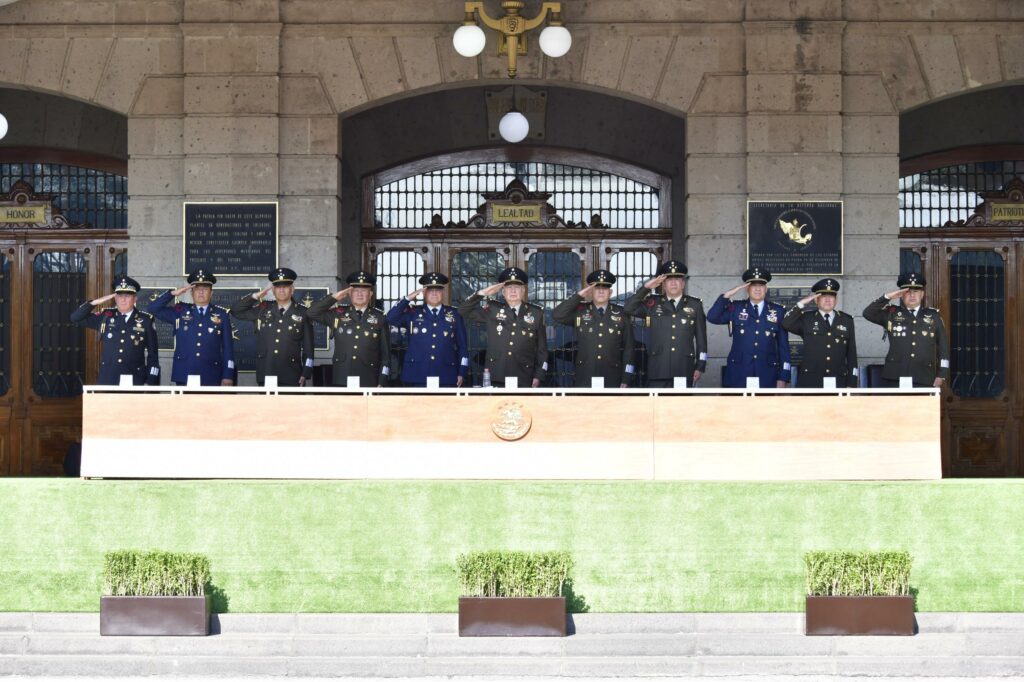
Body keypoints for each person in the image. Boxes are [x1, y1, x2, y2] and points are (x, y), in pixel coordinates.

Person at [458, 267, 548, 388]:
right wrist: (482, 293)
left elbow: (542, 350)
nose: (513, 291)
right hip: (495, 375)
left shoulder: (536, 313)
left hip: (524, 375)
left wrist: (539, 375)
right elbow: (462, 311)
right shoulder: (492, 309)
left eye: (516, 287)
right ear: (503, 292)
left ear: (523, 290)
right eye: (509, 288)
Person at [623, 260, 707, 388]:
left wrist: (700, 366)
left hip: (683, 368)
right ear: (663, 284)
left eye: (677, 279)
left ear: (683, 283)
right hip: (658, 368)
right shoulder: (652, 303)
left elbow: (702, 339)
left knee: (682, 408)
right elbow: (628, 308)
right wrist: (646, 288)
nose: (673, 283)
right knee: (657, 407)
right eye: (669, 279)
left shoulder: (695, 305)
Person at [146, 268, 235, 386]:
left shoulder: (222, 315)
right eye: (197, 289)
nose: (201, 292)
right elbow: (152, 308)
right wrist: (172, 293)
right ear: (191, 293)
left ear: (211, 293)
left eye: (205, 289)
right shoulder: (180, 312)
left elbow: (228, 348)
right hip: (184, 373)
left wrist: (228, 374)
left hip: (211, 374)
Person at [707, 267, 791, 388]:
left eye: (761, 285)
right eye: (753, 285)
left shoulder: (778, 311)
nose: (757, 289)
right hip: (739, 374)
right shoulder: (736, 308)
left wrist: (783, 377)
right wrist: (726, 296)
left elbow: (784, 347)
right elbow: (712, 317)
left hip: (767, 375)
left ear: (766, 289)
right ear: (747, 288)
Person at [229, 267, 314, 387]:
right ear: (273, 290)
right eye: (278, 287)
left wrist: (306, 372)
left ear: (292, 289)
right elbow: (236, 311)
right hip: (266, 372)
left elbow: (308, 348)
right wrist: (255, 296)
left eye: (285, 287)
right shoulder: (263, 310)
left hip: (292, 374)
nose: (282, 290)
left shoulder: (303, 313)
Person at [862, 272, 949, 388]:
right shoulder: (891, 314)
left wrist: (942, 374)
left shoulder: (933, 316)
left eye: (916, 291)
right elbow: (868, 313)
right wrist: (888, 297)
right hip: (896, 376)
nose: (912, 295)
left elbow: (943, 348)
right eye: (907, 292)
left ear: (922, 294)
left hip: (924, 376)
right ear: (901, 295)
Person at [305, 271, 390, 387]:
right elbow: (311, 313)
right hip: (342, 377)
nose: (360, 294)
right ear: (350, 293)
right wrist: (334, 298)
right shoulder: (337, 314)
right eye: (355, 291)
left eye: (364, 291)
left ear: (370, 294)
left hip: (369, 378)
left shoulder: (380, 318)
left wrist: (382, 381)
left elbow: (386, 355)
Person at [552, 269, 636, 388]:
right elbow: (557, 315)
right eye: (597, 288)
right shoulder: (580, 312)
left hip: (612, 375)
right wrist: (579, 295)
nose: (601, 291)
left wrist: (626, 378)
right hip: (585, 374)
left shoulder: (621, 314)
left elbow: (629, 348)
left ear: (610, 292)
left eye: (605, 288)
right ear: (591, 291)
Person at [70, 276, 160, 385]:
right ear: (115, 298)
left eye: (127, 296)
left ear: (135, 298)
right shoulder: (106, 317)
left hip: (135, 379)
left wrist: (150, 382)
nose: (123, 300)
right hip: (108, 378)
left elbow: (153, 354)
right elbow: (75, 318)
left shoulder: (146, 320)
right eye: (119, 296)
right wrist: (94, 302)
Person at [385, 272, 468, 387]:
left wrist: (462, 372)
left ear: (443, 292)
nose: (434, 293)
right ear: (424, 293)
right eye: (430, 290)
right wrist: (407, 298)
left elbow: (462, 346)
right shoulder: (412, 313)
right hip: (417, 375)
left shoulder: (454, 315)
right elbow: (390, 318)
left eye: (438, 290)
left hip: (446, 375)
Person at [782, 278, 858, 388]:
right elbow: (786, 323)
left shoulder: (847, 320)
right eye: (823, 296)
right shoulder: (807, 318)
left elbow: (851, 354)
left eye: (831, 296)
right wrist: (801, 304)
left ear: (836, 300)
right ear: (816, 300)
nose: (828, 300)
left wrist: (852, 383)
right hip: (811, 381)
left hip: (838, 380)